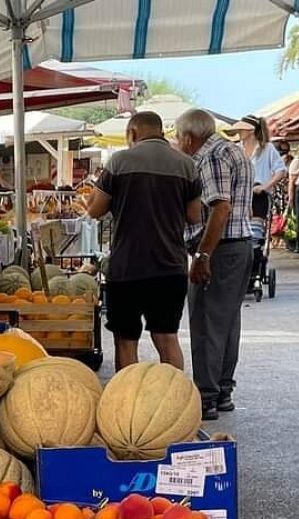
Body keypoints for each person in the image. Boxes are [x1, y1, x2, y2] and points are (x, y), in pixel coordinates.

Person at [86, 111, 202, 371]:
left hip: (127, 267)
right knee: (166, 337)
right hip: (170, 266)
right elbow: (195, 216)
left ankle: (128, 401)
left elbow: (94, 210)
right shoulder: (186, 164)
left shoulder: (119, 162)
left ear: (132, 134)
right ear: (161, 132)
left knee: (126, 340)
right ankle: (175, 399)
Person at [176, 107, 255, 421]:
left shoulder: (210, 156)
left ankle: (207, 395)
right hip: (239, 246)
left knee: (207, 322)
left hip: (221, 249)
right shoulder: (234, 151)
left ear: (190, 137)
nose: (179, 145)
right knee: (226, 321)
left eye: (180, 138)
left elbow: (220, 208)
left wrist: (203, 256)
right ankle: (222, 391)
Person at [232, 116, 287, 224]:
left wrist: (265, 186)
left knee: (255, 231)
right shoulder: (236, 148)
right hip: (238, 195)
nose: (239, 132)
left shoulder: (267, 148)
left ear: (251, 130)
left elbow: (281, 170)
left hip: (258, 196)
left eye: (242, 129)